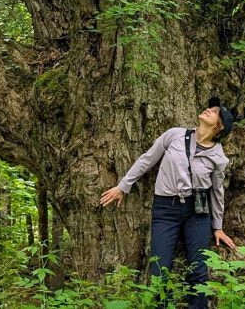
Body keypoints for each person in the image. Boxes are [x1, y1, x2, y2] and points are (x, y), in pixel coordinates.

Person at [100, 97, 237, 309]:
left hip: (197, 213)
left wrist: (217, 227)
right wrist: (123, 186)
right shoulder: (175, 135)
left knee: (198, 271)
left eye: (216, 111)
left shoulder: (218, 158)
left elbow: (217, 191)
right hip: (165, 209)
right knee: (159, 270)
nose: (210, 109)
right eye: (211, 106)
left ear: (219, 127)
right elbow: (147, 159)